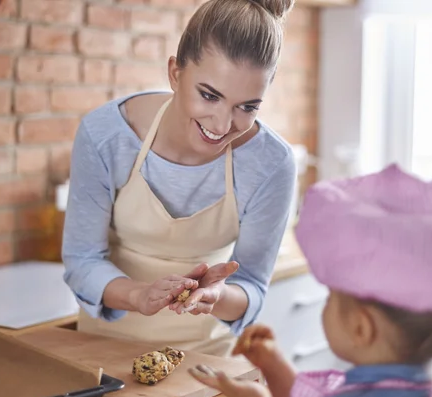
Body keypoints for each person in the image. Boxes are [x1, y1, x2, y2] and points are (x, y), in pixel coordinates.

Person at [61, 0, 297, 357]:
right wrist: (139, 296)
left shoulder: (271, 163)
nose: (221, 125)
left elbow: (251, 287)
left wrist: (217, 297)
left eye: (247, 106)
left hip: (205, 361)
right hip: (100, 352)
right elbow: (82, 261)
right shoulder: (106, 136)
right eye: (209, 95)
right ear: (175, 73)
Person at [189, 164, 432, 397]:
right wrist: (274, 366)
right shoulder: (429, 395)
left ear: (362, 327)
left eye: (330, 298)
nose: (326, 306)